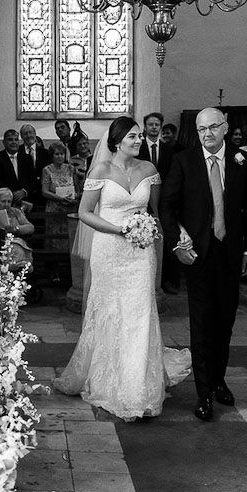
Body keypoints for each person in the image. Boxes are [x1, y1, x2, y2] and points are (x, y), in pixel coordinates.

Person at [55, 117, 190, 419]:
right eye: (132, 136)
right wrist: (117, 230)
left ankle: (137, 385)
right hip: (109, 250)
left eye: (139, 136)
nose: (138, 140)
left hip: (141, 253)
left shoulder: (149, 170)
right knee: (110, 312)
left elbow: (156, 212)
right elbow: (84, 212)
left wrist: (166, 232)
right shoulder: (101, 171)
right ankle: (108, 379)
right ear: (116, 141)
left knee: (140, 311)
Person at [160, 107, 247, 421]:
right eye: (202, 129)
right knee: (202, 322)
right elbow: (167, 207)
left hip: (230, 253)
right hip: (198, 255)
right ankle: (203, 393)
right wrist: (178, 242)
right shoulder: (183, 160)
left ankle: (218, 379)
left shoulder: (240, 161)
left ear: (226, 127)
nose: (207, 134)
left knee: (225, 322)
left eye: (214, 127)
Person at [139, 112, 179, 293]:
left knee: (167, 238)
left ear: (161, 127)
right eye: (151, 124)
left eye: (157, 124)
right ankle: (144, 278)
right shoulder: (138, 149)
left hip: (165, 201)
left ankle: (167, 280)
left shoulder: (170, 150)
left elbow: (172, 176)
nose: (154, 127)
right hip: (142, 201)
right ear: (145, 127)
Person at [40, 141, 80, 250]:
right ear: (52, 156)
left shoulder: (71, 168)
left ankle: (69, 263)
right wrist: (60, 198)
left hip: (70, 208)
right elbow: (44, 191)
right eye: (57, 154)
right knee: (54, 240)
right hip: (54, 210)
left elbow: (78, 190)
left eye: (62, 154)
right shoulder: (47, 170)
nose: (60, 156)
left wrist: (74, 198)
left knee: (70, 238)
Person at [0, 187, 35, 271]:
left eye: (9, 201)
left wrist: (15, 228)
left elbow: (30, 227)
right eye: (3, 201)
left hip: (14, 241)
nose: (6, 204)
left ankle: (17, 270)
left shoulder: (16, 212)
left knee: (16, 248)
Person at [0, 129, 34, 207]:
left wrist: (24, 191)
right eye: (10, 140)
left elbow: (32, 179)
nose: (14, 142)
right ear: (4, 142)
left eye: (16, 140)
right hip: (3, 201)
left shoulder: (27, 158)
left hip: (25, 200)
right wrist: (12, 194)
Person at [20, 124, 51, 205]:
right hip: (23, 196)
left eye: (31, 133)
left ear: (35, 134)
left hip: (41, 195)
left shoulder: (45, 153)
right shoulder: (17, 152)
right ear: (21, 136)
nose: (29, 135)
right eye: (25, 134)